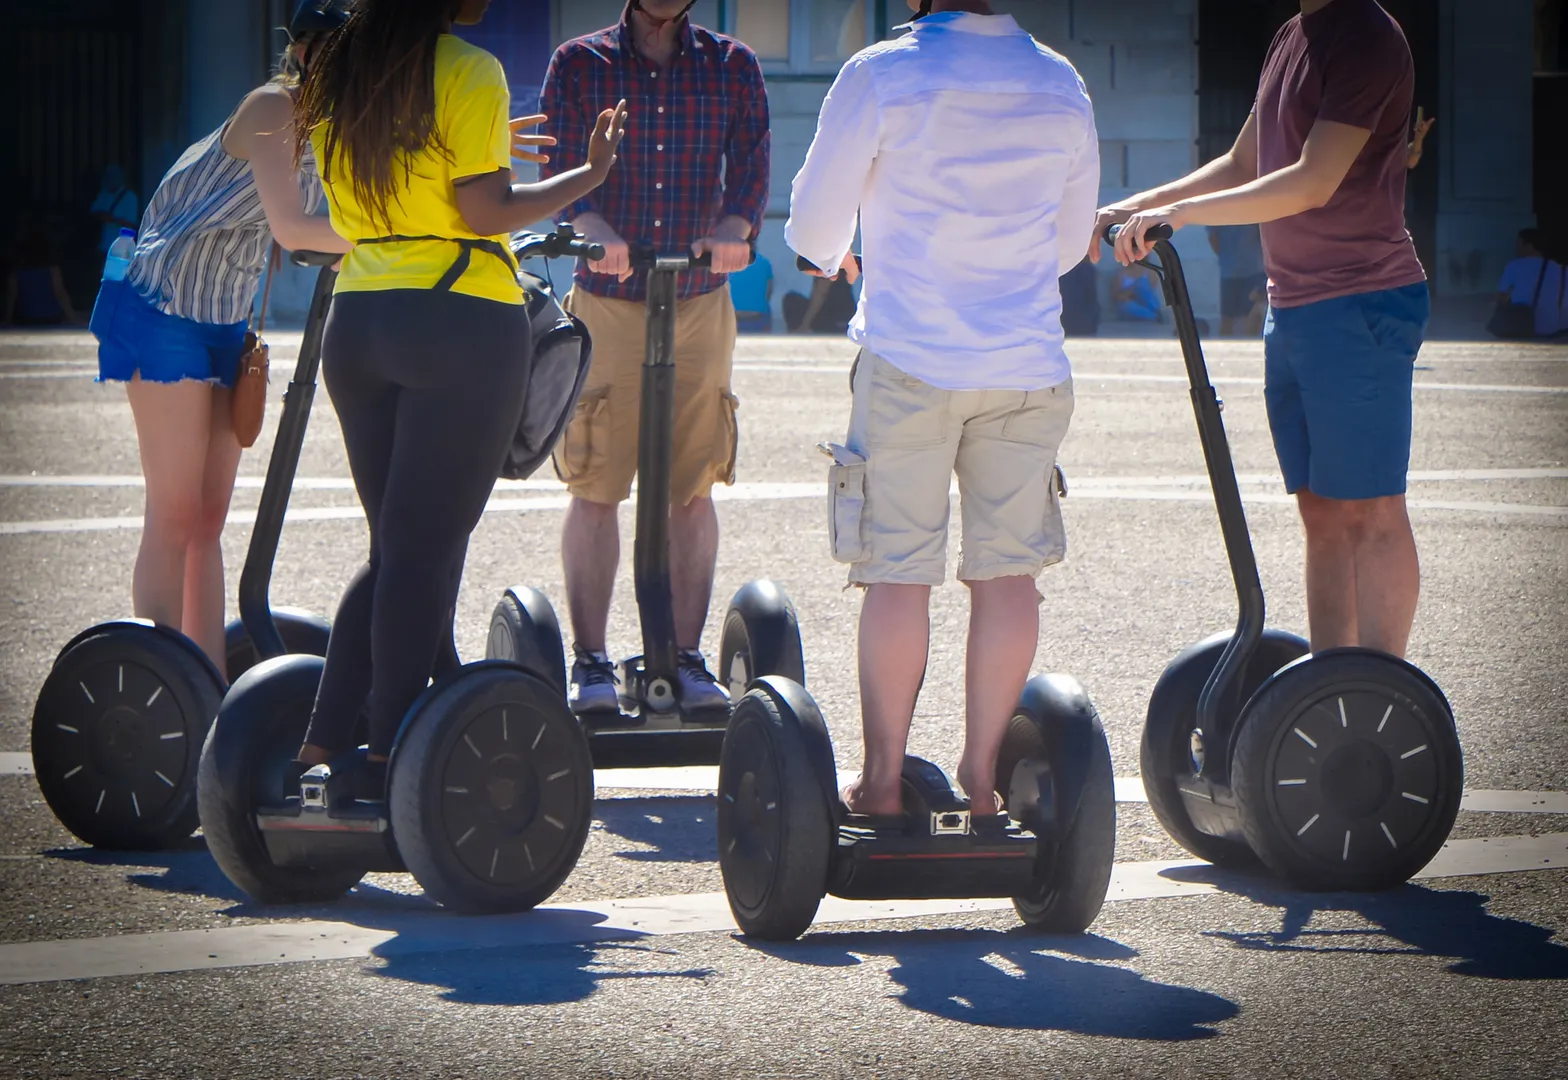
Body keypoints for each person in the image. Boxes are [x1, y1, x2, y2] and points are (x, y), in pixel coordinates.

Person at [291, 0, 628, 795]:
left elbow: (397, 172)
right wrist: (588, 176)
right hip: (458, 315)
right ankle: (387, 765)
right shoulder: (470, 71)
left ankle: (318, 748)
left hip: (361, 315)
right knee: (417, 553)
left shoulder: (341, 72)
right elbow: (482, 210)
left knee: (401, 552)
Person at [786, 0, 1098, 818]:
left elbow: (815, 222)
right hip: (1027, 363)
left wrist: (833, 254)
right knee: (1008, 576)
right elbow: (1069, 245)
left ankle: (883, 782)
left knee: (898, 574)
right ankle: (985, 776)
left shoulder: (883, 72)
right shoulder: (1061, 81)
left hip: (910, 359)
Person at [1094, 0, 1430, 659]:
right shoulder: (1292, 35)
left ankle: (1382, 696)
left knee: (1370, 509)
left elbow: (1312, 180)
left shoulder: (1366, 36)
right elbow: (1244, 161)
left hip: (1360, 302)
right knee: (1321, 513)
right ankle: (1333, 687)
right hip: (1295, 303)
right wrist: (1137, 207)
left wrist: (1184, 215)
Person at [87, 0, 353, 673]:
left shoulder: (337, 129)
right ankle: (159, 683)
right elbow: (296, 231)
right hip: (164, 304)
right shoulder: (276, 108)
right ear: (300, 53)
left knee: (207, 523)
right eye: (329, 49)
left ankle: (202, 691)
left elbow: (334, 227)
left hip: (224, 318)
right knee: (175, 515)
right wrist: (406, 235)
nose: (345, 63)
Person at [538, 0, 770, 716]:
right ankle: (592, 662)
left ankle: (687, 656)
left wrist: (735, 225)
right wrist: (587, 222)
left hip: (699, 298)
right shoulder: (579, 64)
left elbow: (752, 166)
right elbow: (556, 159)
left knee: (692, 484)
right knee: (597, 480)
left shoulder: (733, 65)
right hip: (608, 298)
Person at [1492, 228, 1567, 339]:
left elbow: (1501, 295)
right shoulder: (1561, 269)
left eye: (1519, 244)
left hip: (1521, 327)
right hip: (1552, 329)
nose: (1516, 248)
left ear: (1529, 246)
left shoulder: (1514, 266)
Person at [4, 224, 80, 326]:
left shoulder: (17, 270)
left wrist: (7, 319)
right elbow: (59, 293)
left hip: (24, 317)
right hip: (51, 317)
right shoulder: (52, 270)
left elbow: (11, 295)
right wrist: (73, 318)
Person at [1208, 224, 1266, 335]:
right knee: (1247, 316)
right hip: (1246, 268)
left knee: (1244, 315)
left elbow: (1212, 238)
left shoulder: (1216, 210)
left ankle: (1242, 345)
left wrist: (1226, 257)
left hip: (1241, 269)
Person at [783, 271, 857, 334]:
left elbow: (819, 297)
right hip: (846, 316)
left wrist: (806, 324)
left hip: (832, 318)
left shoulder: (826, 267)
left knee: (790, 300)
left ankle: (795, 332)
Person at [89, 165, 139, 255]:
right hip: (104, 245)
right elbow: (94, 212)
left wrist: (112, 219)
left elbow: (131, 223)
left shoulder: (130, 197)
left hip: (122, 249)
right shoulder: (104, 194)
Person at [728, 252, 774, 333]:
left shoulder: (727, 262)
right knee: (766, 307)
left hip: (733, 316)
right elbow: (769, 290)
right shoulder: (764, 262)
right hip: (758, 316)